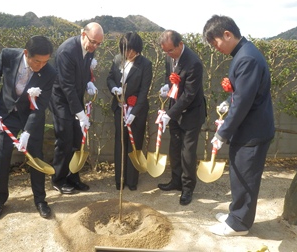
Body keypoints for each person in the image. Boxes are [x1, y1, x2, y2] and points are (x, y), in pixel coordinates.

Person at [203, 15, 275, 236]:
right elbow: (242, 94)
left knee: (245, 177)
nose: (215, 48)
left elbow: (243, 102)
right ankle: (236, 214)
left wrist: (222, 133)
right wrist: (227, 102)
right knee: (238, 173)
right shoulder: (244, 54)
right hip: (248, 128)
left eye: (215, 43)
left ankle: (239, 225)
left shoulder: (247, 58)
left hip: (252, 130)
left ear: (227, 34)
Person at [0, 35, 56, 220]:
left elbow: (41, 105)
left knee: (35, 157)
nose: (41, 66)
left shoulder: (49, 73)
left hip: (31, 117)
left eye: (45, 62)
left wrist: (27, 132)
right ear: (26, 53)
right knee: (3, 156)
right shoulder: (8, 56)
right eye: (37, 61)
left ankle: (40, 200)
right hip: (8, 114)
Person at [49, 22, 103, 194]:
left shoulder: (88, 50)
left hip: (75, 97)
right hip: (61, 99)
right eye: (93, 41)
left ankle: (73, 177)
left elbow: (84, 71)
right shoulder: (67, 51)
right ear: (83, 34)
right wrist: (81, 114)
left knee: (77, 139)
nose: (94, 46)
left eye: (98, 44)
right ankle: (58, 179)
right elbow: (67, 87)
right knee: (64, 139)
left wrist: (89, 82)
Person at [157, 30, 206, 206]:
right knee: (174, 148)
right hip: (175, 110)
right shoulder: (169, 58)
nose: (168, 54)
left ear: (180, 44)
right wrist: (166, 86)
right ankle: (176, 181)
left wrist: (169, 115)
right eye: (165, 51)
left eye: (170, 50)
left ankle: (187, 188)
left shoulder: (194, 63)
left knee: (187, 153)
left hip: (192, 113)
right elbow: (170, 79)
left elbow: (189, 95)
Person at [107, 32, 153, 191]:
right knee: (120, 143)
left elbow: (144, 91)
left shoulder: (145, 64)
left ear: (138, 49)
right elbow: (110, 78)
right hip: (120, 108)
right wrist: (114, 88)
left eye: (132, 50)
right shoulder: (117, 60)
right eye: (125, 50)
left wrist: (134, 113)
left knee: (135, 145)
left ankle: (132, 181)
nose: (128, 53)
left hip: (137, 111)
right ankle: (120, 180)